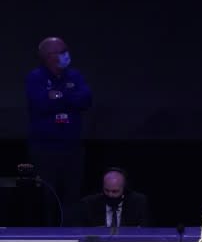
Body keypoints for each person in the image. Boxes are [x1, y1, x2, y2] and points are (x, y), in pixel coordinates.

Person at [25, 37, 93, 225]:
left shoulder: (75, 76)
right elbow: (41, 104)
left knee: (72, 195)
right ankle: (47, 238)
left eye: (66, 50)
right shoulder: (35, 77)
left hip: (73, 147)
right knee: (47, 196)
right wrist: (67, 98)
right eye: (61, 51)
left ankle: (71, 236)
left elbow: (85, 100)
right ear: (48, 56)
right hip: (45, 149)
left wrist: (58, 96)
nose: (66, 55)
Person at [76, 167, 152, 228]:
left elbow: (144, 230)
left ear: (124, 188)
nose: (110, 195)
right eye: (107, 190)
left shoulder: (138, 202)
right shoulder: (88, 203)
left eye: (115, 191)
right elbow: (79, 231)